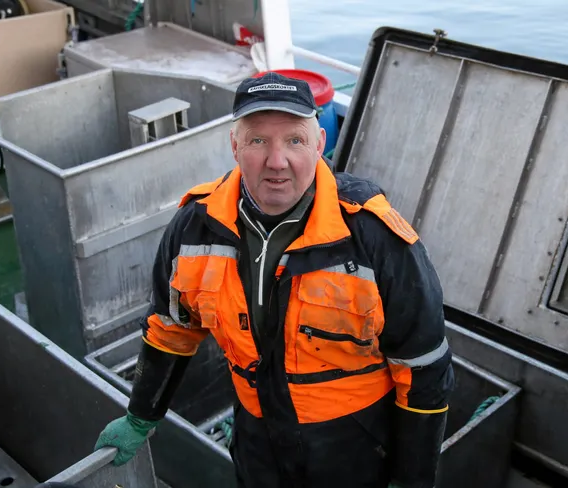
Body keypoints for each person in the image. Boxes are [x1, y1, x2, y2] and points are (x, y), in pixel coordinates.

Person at [93, 71, 455, 488]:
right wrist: (141, 416)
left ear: (319, 144)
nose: (277, 161)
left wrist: (412, 480)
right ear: (235, 146)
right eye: (258, 141)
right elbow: (171, 330)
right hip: (255, 438)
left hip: (355, 442)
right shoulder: (194, 228)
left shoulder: (373, 237)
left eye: (295, 141)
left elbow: (423, 368)